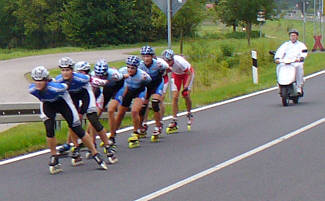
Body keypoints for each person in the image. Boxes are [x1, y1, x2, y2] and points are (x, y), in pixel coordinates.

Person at [29, 66, 107, 174]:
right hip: (47, 103)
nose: (38, 83)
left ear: (46, 80)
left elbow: (68, 86)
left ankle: (95, 153)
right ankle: (54, 155)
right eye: (35, 80)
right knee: (49, 129)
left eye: (41, 80)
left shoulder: (56, 87)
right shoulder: (32, 89)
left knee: (76, 128)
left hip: (63, 102)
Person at [55, 57, 117, 164]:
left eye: (68, 70)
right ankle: (76, 147)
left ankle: (107, 146)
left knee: (93, 120)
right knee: (72, 121)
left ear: (72, 70)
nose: (65, 73)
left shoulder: (82, 78)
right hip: (72, 96)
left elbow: (98, 83)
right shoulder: (59, 79)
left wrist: (108, 80)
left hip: (86, 94)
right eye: (63, 70)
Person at [110, 55, 151, 148]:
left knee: (134, 111)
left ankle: (135, 132)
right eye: (128, 67)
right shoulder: (122, 71)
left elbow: (150, 86)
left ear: (137, 68)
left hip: (139, 92)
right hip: (127, 91)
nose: (129, 70)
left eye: (132, 68)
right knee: (120, 113)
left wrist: (146, 100)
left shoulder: (143, 75)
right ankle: (112, 135)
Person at [138, 46, 171, 142]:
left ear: (152, 56)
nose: (146, 59)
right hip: (147, 85)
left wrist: (163, 74)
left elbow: (168, 69)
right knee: (143, 107)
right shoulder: (140, 65)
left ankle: (158, 125)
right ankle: (142, 125)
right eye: (144, 56)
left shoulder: (159, 64)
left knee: (155, 103)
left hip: (157, 84)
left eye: (148, 56)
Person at [161, 49, 195, 134]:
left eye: (169, 61)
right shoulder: (164, 64)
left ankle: (189, 112)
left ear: (173, 59)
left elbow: (189, 74)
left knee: (185, 94)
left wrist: (186, 87)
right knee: (175, 96)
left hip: (188, 74)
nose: (168, 63)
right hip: (176, 75)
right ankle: (174, 120)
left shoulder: (179, 62)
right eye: (166, 61)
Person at [274, 29, 308, 94]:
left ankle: (299, 87)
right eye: (291, 36)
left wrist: (301, 57)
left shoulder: (301, 45)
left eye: (294, 35)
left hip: (296, 62)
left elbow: (304, 52)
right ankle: (280, 85)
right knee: (279, 67)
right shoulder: (285, 44)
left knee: (299, 67)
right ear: (289, 37)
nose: (293, 37)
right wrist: (277, 58)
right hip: (285, 61)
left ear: (297, 36)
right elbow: (279, 51)